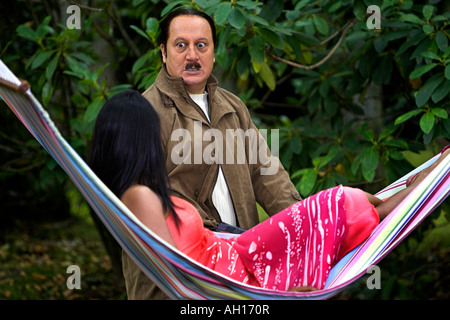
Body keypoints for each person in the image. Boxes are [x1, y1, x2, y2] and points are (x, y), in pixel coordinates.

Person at [88, 90, 450, 294]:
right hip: (237, 274)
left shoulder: (139, 191)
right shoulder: (140, 195)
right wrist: (274, 297)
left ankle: (423, 180)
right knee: (342, 201)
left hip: (240, 251)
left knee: (342, 201)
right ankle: (427, 179)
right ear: (140, 139)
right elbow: (176, 273)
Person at [127, 8, 301, 299]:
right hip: (178, 280)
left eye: (201, 45)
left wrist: (302, 230)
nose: (192, 55)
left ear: (214, 53)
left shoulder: (233, 108)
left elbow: (268, 176)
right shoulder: (144, 114)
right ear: (163, 52)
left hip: (237, 271)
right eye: (180, 45)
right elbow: (143, 203)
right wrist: (218, 236)